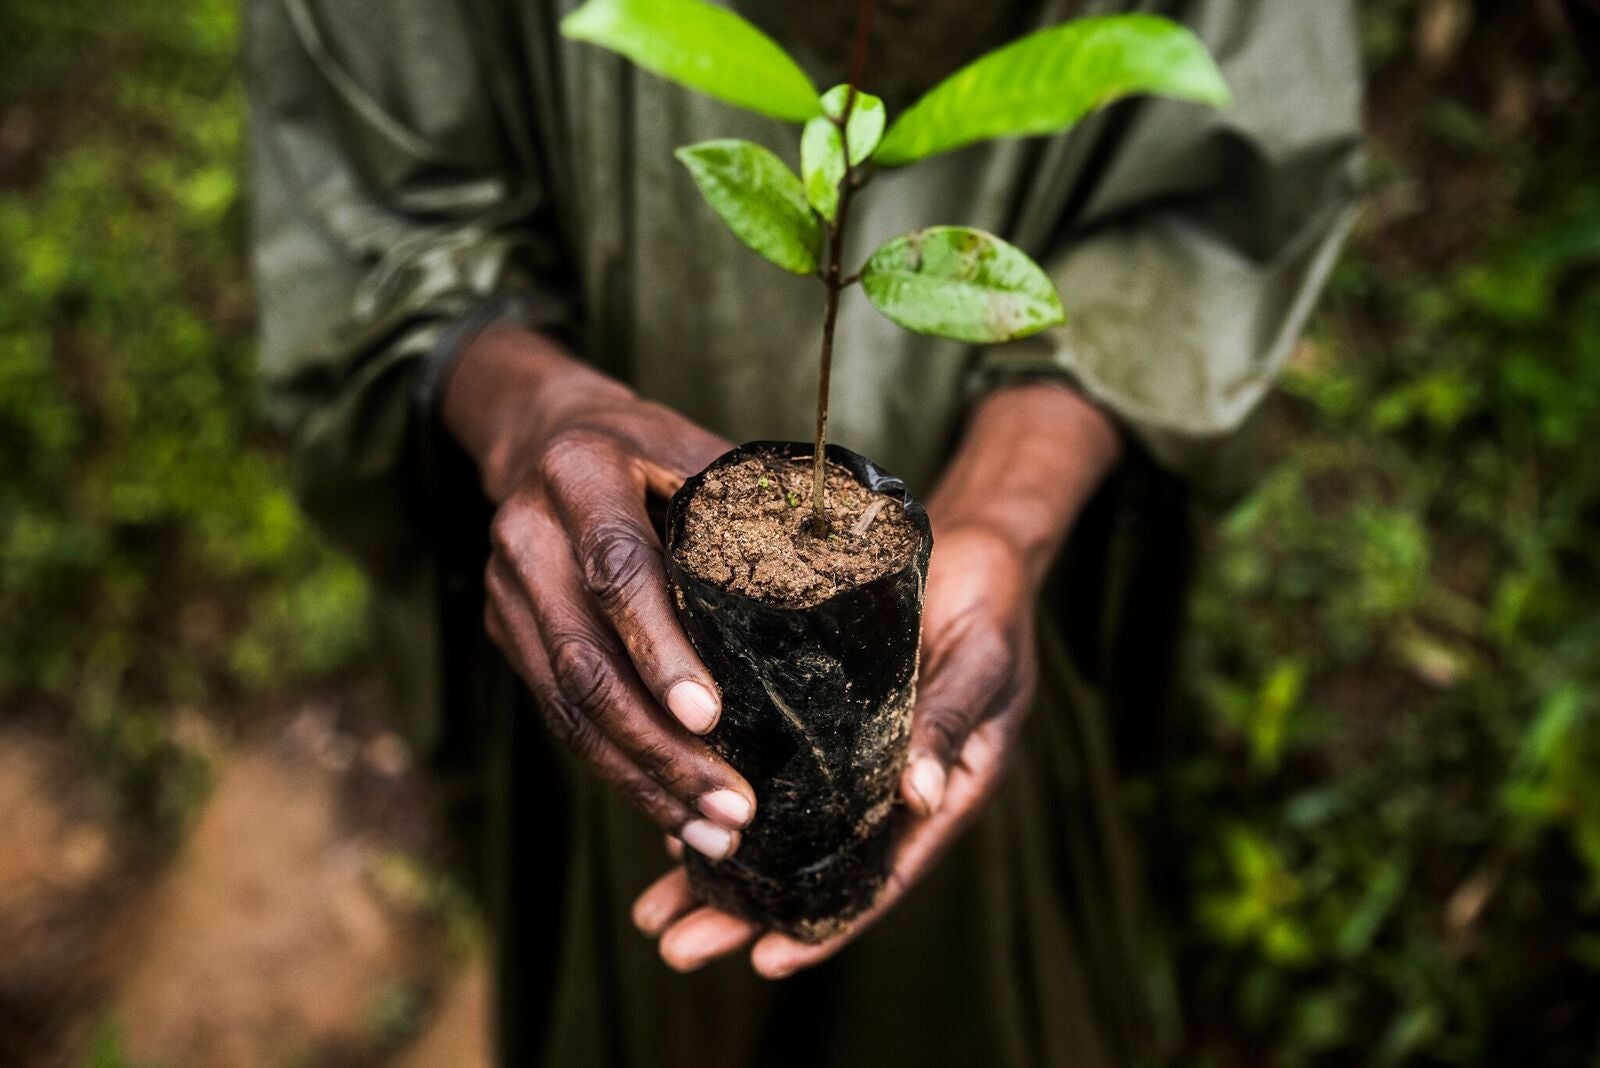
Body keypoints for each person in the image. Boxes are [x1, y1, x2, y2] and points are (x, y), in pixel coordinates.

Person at [245, 0, 1361, 1063]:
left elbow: (1219, 180)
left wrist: (1014, 515)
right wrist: (529, 406)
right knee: (640, 833)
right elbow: (376, 175)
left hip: (966, 555)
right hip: (609, 446)